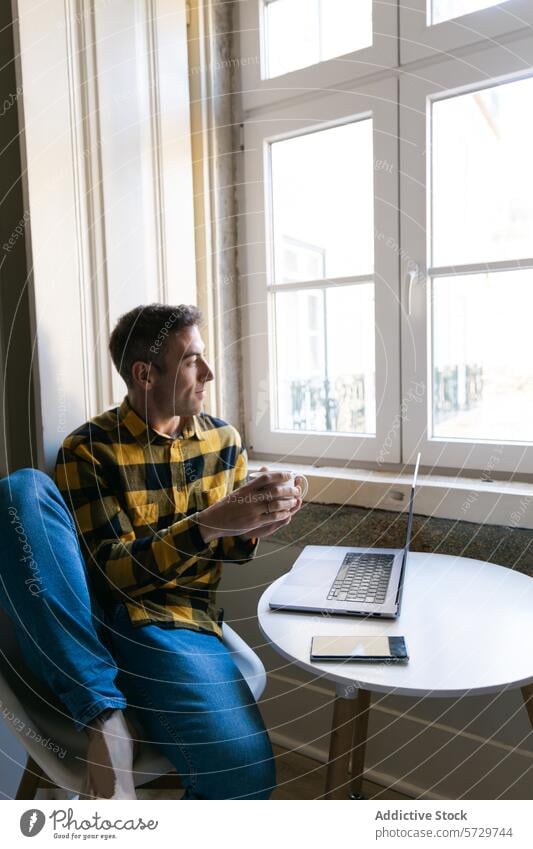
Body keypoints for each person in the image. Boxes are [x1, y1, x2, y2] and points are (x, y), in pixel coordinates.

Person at [0, 303, 304, 799]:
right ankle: (102, 713)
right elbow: (110, 575)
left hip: (178, 623)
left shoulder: (223, 441)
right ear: (144, 373)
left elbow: (223, 550)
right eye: (192, 360)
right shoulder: (90, 449)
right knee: (20, 491)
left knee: (246, 781)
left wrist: (253, 524)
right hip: (101, 616)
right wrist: (208, 525)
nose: (208, 372)